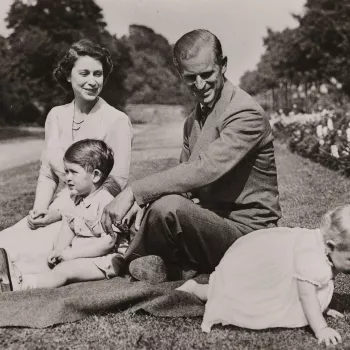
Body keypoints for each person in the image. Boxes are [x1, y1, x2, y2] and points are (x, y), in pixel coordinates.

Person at [102, 29, 281, 283]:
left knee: (167, 206)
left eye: (207, 74)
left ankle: (130, 261)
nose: (200, 85)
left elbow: (205, 169)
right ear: (180, 75)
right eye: (190, 78)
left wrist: (134, 192)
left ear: (223, 65)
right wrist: (142, 205)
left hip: (250, 234)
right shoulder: (193, 120)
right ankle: (169, 263)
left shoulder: (245, 113)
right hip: (210, 223)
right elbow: (184, 181)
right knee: (161, 202)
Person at [0, 39, 132, 273]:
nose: (92, 81)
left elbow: (116, 183)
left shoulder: (116, 120)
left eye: (98, 74)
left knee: (25, 254)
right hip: (56, 208)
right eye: (84, 73)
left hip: (92, 216)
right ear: (68, 75)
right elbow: (47, 174)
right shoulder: (55, 116)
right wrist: (40, 210)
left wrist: (59, 214)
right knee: (7, 240)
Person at [175, 204, 350, 346]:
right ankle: (195, 288)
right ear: (331, 246)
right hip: (264, 275)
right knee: (236, 296)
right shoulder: (311, 259)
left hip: (284, 275)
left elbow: (319, 283)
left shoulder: (327, 254)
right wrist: (321, 328)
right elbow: (306, 295)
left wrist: (323, 306)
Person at [0, 139, 129, 291]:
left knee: (65, 271)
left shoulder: (106, 202)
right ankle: (12, 274)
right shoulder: (76, 198)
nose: (67, 177)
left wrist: (71, 254)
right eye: (66, 171)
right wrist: (59, 250)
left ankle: (22, 284)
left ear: (95, 176)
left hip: (106, 259)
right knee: (49, 261)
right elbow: (68, 225)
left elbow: (107, 243)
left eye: (73, 172)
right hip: (82, 253)